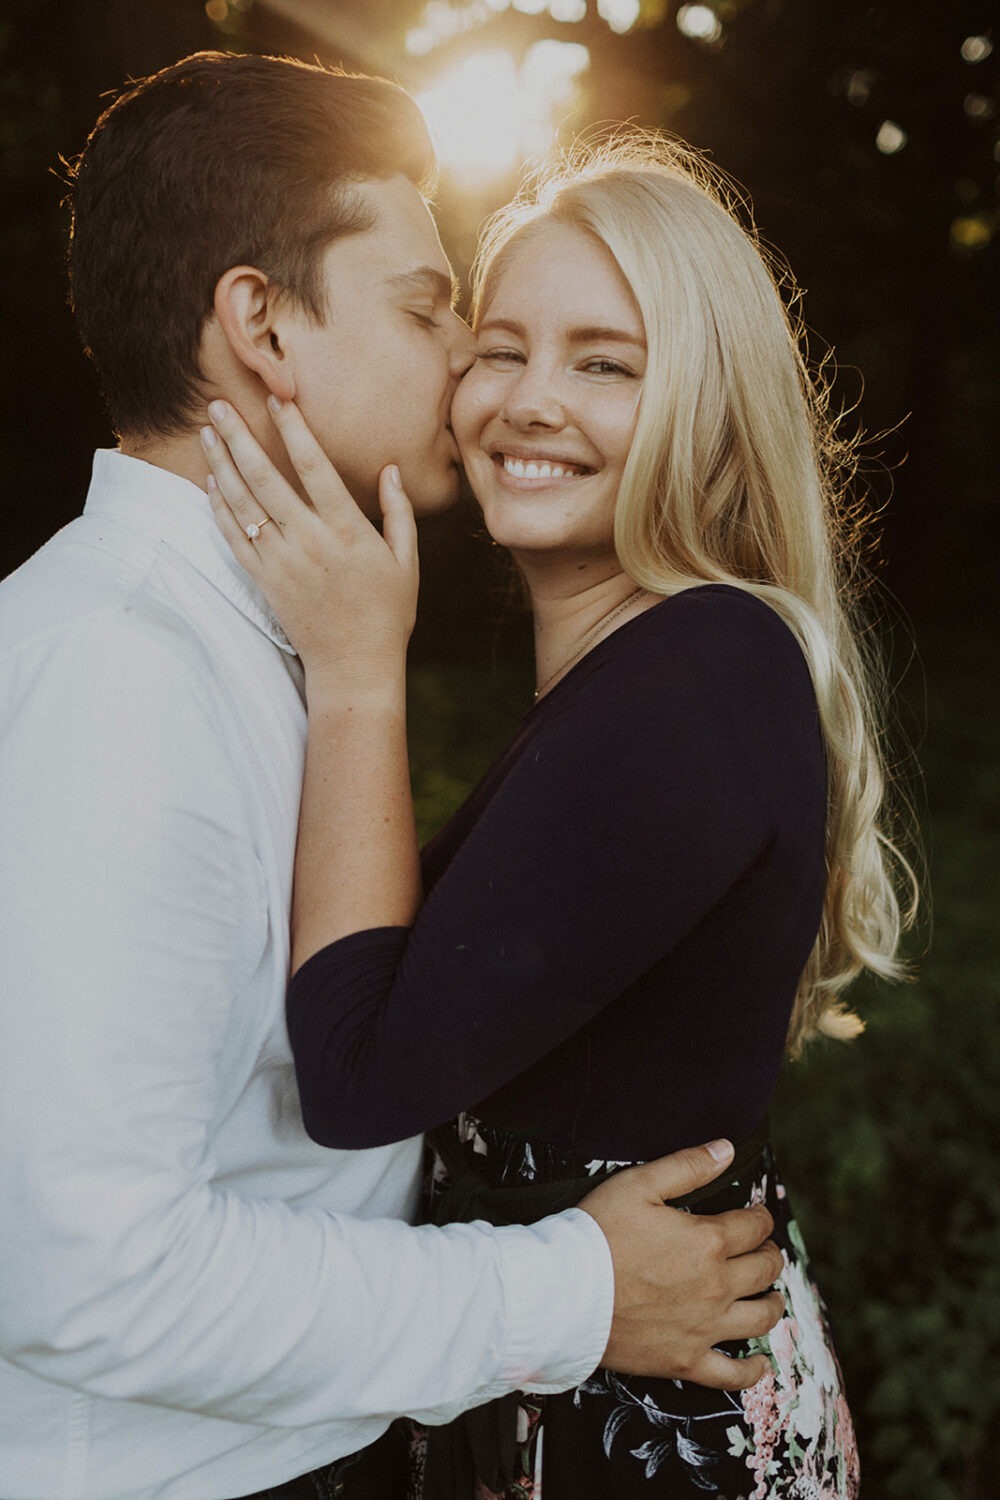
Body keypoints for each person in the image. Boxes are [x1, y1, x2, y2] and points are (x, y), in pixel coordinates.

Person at [0, 57, 785, 1500]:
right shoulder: (119, 681)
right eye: (427, 307)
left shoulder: (266, 639)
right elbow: (89, 1277)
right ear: (261, 326)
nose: (469, 360)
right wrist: (571, 1293)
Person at [202, 135, 918, 1499]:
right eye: (501, 348)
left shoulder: (697, 673)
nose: (532, 401)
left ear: (704, 407)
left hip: (643, 1444)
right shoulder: (637, 679)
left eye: (606, 362)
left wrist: (359, 671)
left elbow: (362, 1075)